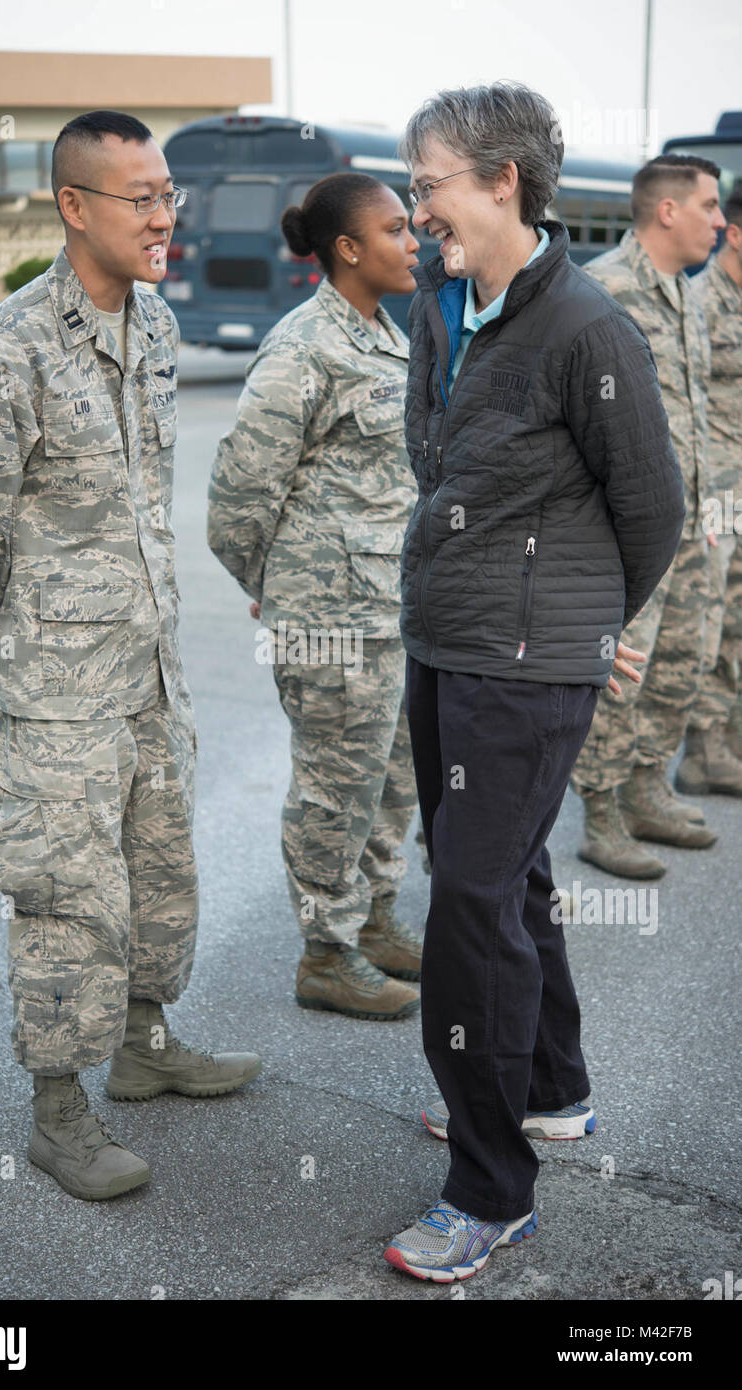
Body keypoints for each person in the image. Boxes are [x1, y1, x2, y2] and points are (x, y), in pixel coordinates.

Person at [0, 110, 260, 1204]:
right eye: (141, 197)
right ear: (74, 207)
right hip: (58, 687)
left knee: (158, 863)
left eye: (169, 195)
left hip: (151, 666)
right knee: (66, 885)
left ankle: (145, 1042)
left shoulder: (153, 326)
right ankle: (60, 1110)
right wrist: (5, 607)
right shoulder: (12, 344)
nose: (165, 216)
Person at [382, 82, 685, 1283]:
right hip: (445, 639)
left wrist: (586, 623)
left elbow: (651, 506)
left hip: (521, 665)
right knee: (506, 878)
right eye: (411, 191)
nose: (417, 213)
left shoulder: (587, 330)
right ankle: (551, 1089)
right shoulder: (442, 301)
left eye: (431, 186)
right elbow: (430, 449)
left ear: (504, 180)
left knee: (468, 906)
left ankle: (489, 1185)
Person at [208, 173, 424, 1021]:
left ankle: (371, 921)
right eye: (396, 229)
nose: (414, 242)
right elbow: (238, 492)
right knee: (334, 787)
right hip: (330, 620)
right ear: (348, 248)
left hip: (390, 610)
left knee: (388, 778)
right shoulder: (303, 347)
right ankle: (324, 954)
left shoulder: (384, 335)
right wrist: (271, 585)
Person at [571, 154, 727, 877]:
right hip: (627, 526)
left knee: (680, 659)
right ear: (666, 211)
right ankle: (599, 812)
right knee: (621, 669)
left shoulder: (688, 294)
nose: (719, 222)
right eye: (708, 207)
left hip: (694, 515)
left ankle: (645, 786)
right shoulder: (604, 290)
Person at [676, 180, 742, 795]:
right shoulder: (700, 302)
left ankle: (728, 736)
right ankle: (704, 748)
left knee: (739, 623)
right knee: (711, 620)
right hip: (716, 492)